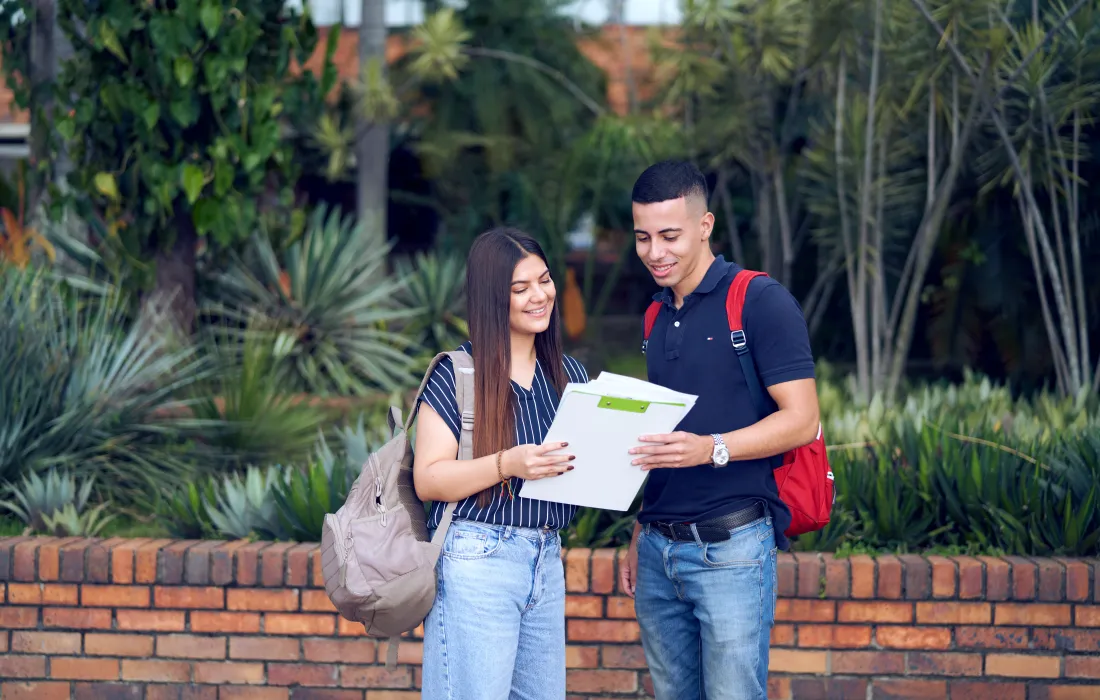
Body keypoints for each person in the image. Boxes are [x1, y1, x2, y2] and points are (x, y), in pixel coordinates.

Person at [620, 160, 821, 699]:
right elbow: (667, 438)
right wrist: (641, 527)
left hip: (731, 550)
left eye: (670, 236)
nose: (655, 252)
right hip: (657, 550)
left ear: (705, 225)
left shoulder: (760, 300)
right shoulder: (655, 315)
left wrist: (711, 449)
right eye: (642, 237)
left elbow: (802, 419)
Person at [412, 226, 590, 699]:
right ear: (494, 298)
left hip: (546, 558)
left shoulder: (569, 375)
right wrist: (507, 463)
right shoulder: (458, 373)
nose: (540, 296)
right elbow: (428, 478)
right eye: (520, 288)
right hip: (477, 559)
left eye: (544, 280)